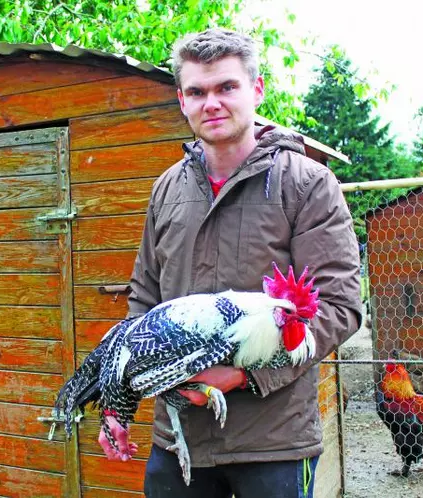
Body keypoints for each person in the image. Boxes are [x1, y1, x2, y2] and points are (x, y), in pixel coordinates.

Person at [99, 28, 362, 498]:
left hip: (273, 443)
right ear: (182, 100)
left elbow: (338, 307)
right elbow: (144, 298)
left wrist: (244, 375)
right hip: (179, 439)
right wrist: (119, 404)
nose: (211, 103)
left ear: (256, 90)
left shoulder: (306, 184)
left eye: (227, 87)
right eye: (197, 91)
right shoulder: (166, 189)